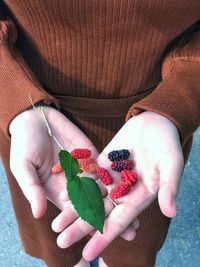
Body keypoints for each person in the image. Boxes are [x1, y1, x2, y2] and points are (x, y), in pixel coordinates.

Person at [0, 1, 199, 266]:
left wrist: (175, 102)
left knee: (129, 240)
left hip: (151, 122)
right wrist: (13, 97)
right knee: (58, 237)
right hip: (34, 122)